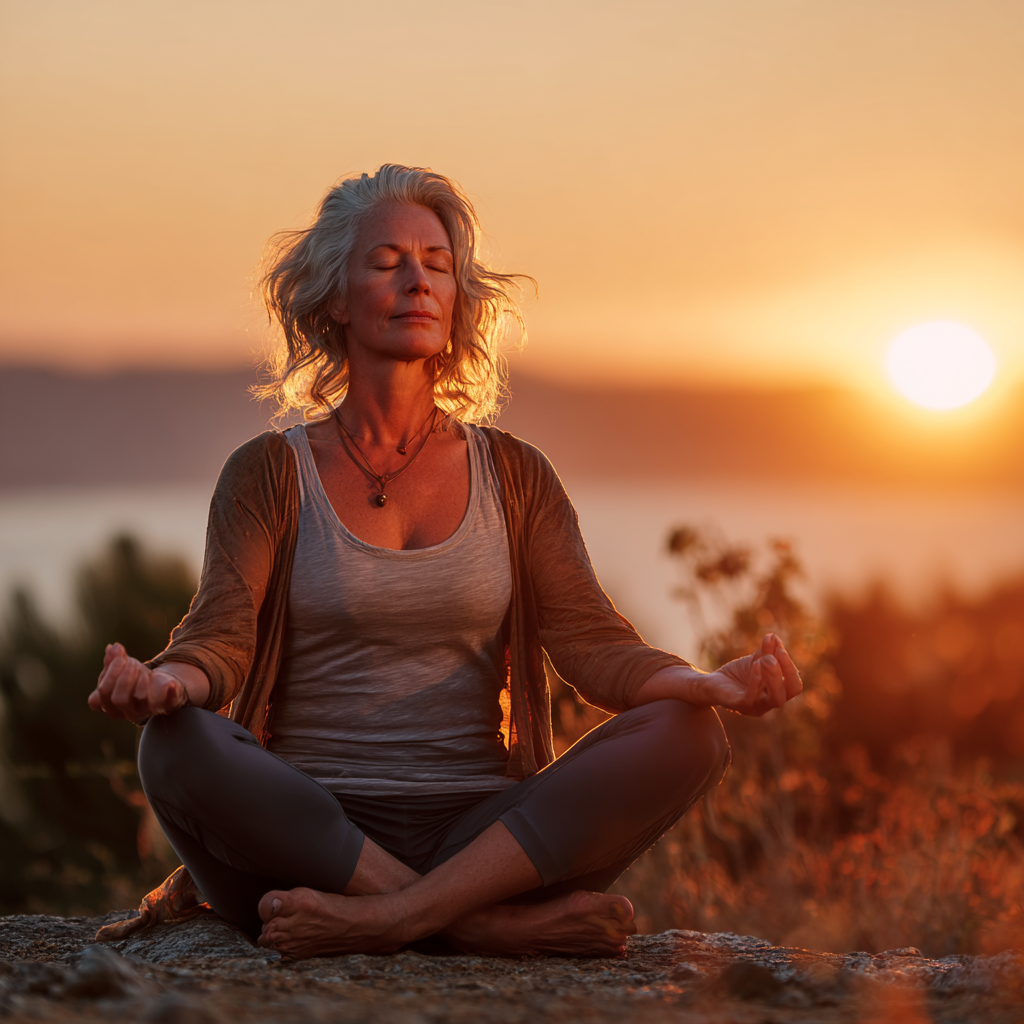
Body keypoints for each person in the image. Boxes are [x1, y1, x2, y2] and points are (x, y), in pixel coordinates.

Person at [89, 165, 802, 961]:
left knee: (690, 736)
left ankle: (395, 918)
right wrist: (163, 685)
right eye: (387, 261)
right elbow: (218, 644)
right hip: (311, 837)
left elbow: (592, 643)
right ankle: (476, 925)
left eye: (436, 263)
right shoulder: (267, 474)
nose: (418, 281)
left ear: (460, 298)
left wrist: (706, 684)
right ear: (332, 297)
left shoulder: (516, 475)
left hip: (481, 833)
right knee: (175, 744)